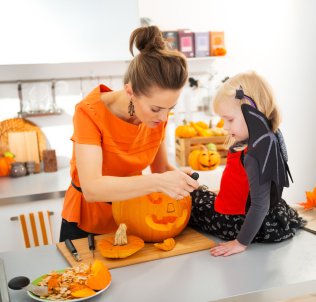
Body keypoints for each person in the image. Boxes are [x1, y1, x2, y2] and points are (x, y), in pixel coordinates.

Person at [59, 25, 199, 242]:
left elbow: (160, 169)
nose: (163, 118)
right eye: (156, 109)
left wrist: (179, 178)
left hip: (135, 218)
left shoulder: (155, 117)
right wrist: (160, 182)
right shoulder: (89, 113)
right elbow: (93, 188)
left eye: (169, 108)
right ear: (130, 91)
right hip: (88, 224)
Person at [189, 71, 305, 257]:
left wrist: (240, 242)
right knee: (202, 193)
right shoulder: (266, 140)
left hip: (240, 222)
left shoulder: (253, 155)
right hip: (265, 216)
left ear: (251, 112)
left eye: (229, 119)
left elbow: (259, 204)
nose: (225, 127)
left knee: (192, 201)